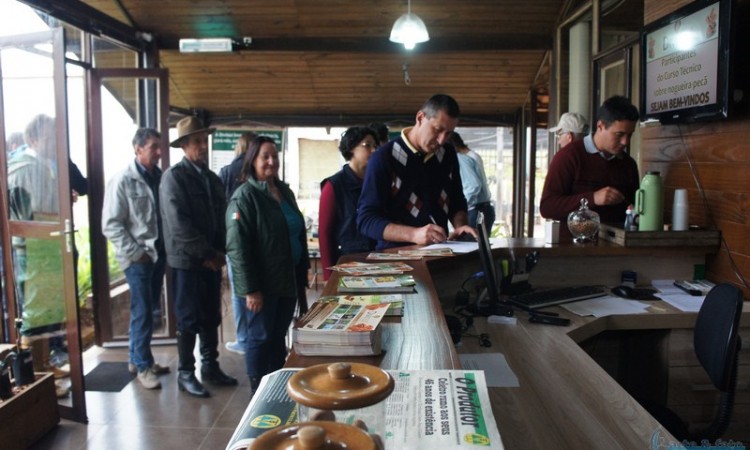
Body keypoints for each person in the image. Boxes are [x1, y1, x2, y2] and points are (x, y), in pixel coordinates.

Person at [160, 116, 237, 397]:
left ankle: (210, 367)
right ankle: (185, 373)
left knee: (210, 315)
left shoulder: (211, 178)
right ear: (183, 145)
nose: (203, 146)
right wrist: (207, 254)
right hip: (187, 263)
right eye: (196, 142)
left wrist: (220, 253)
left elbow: (223, 217)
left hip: (211, 260)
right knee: (188, 318)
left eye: (204, 140)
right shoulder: (174, 177)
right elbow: (179, 225)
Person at [225, 135, 308, 393]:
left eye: (275, 156)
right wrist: (250, 290)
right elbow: (238, 248)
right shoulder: (245, 197)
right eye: (265, 157)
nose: (272, 161)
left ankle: (274, 388)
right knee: (260, 339)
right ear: (252, 161)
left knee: (277, 337)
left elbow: (295, 232)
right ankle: (257, 393)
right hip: (262, 286)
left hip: (287, 279)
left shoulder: (284, 191)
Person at [357, 94, 477, 249]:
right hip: (396, 258)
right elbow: (366, 220)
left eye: (448, 133)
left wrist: (460, 226)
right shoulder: (383, 158)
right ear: (420, 118)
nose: (441, 140)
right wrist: (413, 234)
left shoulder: (448, 153)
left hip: (439, 254)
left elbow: (456, 200)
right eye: (437, 129)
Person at [102, 128, 170, 389]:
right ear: (137, 148)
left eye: (159, 147)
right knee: (143, 312)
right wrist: (136, 253)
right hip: (138, 259)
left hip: (157, 256)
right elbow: (111, 224)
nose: (158, 152)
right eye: (153, 147)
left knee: (145, 310)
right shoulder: (122, 180)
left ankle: (138, 358)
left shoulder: (159, 177)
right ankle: (143, 367)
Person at [540, 96, 640, 225]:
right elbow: (547, 207)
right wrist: (592, 198)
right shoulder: (568, 157)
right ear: (600, 126)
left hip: (617, 243)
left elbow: (633, 209)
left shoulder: (628, 165)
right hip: (571, 243)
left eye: (630, 134)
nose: (625, 142)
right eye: (619, 135)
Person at [318, 126, 378, 281]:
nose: (374, 150)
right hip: (347, 263)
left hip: (377, 261)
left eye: (375, 146)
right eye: (368, 145)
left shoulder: (377, 182)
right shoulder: (333, 185)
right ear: (351, 148)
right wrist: (328, 275)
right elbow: (325, 234)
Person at [218, 131, 258, 355]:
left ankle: (243, 339)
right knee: (256, 290)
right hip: (258, 241)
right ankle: (255, 337)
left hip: (234, 241)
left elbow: (221, 207)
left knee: (239, 292)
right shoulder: (256, 171)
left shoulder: (226, 172)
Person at [449, 132, 495, 234]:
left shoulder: (461, 158)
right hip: (485, 208)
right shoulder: (474, 155)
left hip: (476, 209)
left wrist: (462, 206)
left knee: (470, 247)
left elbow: (474, 185)